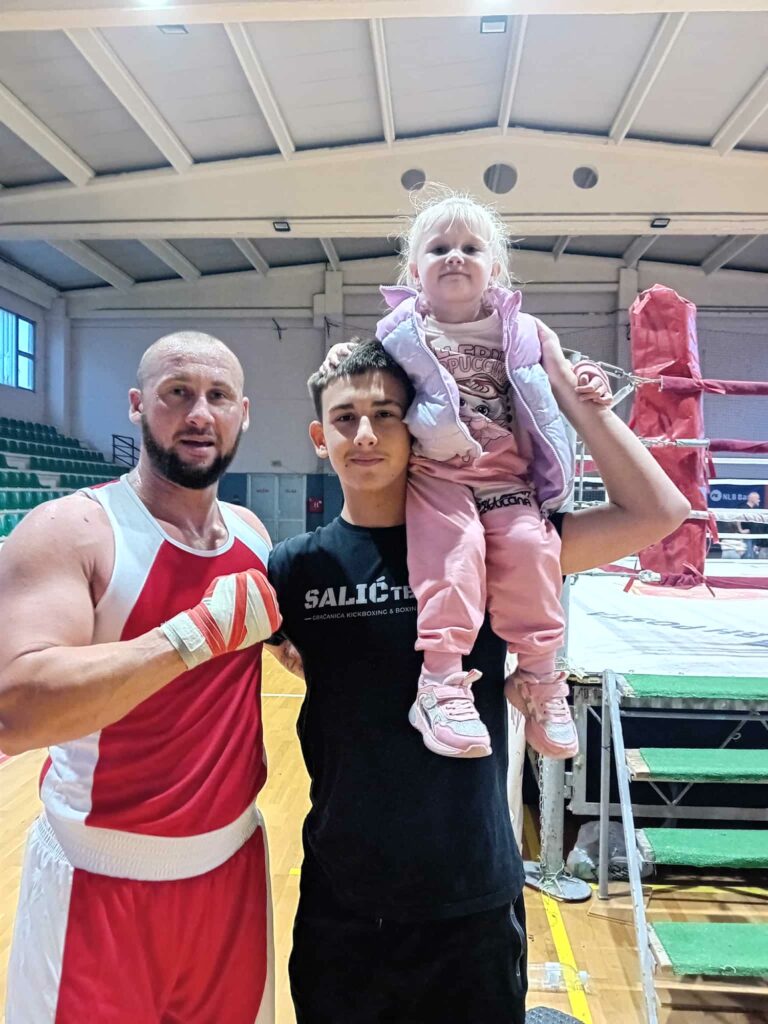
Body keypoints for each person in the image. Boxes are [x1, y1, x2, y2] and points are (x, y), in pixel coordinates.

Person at [267, 335, 690, 1024]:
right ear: (321, 438)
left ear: (420, 427)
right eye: (345, 418)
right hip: (343, 900)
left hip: (471, 897)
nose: (365, 433)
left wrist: (568, 389)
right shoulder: (293, 568)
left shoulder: (495, 547)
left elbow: (659, 513)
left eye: (386, 414)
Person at [0, 332, 281, 1023]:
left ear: (243, 414)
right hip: (98, 885)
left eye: (218, 397)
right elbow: (17, 710)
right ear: (136, 405)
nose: (199, 414)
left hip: (233, 873)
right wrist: (187, 637)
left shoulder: (254, 535)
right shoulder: (73, 529)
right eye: (177, 393)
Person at [372, 188, 611, 761]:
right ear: (415, 270)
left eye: (470, 248)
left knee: (533, 552)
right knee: (452, 557)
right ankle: (439, 680)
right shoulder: (399, 332)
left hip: (508, 474)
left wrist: (589, 378)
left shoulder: (524, 330)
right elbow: (368, 377)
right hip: (439, 471)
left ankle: (537, 677)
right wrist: (340, 359)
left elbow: (563, 375)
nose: (454, 256)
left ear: (495, 268)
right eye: (439, 249)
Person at [736, 490, 766, 558]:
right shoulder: (743, 507)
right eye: (758, 498)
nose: (759, 500)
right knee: (748, 554)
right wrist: (740, 530)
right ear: (753, 499)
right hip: (746, 534)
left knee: (754, 554)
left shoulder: (757, 508)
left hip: (755, 535)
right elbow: (737, 519)